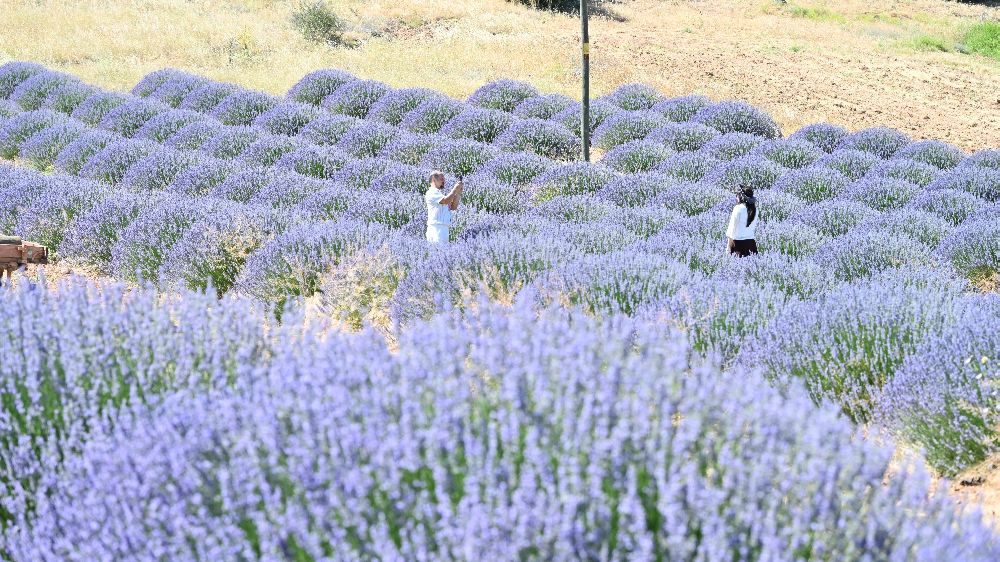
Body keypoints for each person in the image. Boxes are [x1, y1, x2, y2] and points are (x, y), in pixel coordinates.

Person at [425, 170, 463, 244]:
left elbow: (453, 207)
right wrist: (454, 190)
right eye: (441, 179)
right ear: (434, 179)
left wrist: (458, 193)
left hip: (443, 228)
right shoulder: (432, 192)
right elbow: (446, 201)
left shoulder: (439, 194)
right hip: (436, 228)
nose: (443, 181)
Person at [726, 185, 758, 257]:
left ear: (741, 197)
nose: (736, 198)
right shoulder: (755, 209)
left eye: (737, 196)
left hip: (737, 244)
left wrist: (728, 247)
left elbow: (732, 228)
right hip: (751, 244)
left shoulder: (738, 208)